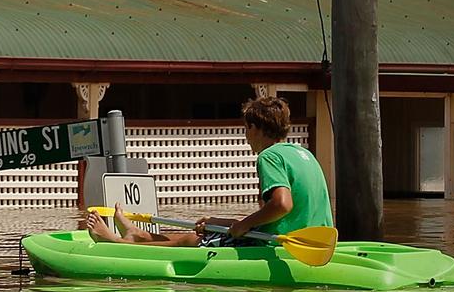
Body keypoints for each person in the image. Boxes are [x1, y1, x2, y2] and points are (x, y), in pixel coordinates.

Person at [86, 95, 333, 247]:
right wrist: (227, 222)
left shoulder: (269, 156)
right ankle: (137, 234)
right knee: (207, 228)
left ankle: (117, 242)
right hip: (312, 241)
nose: (246, 137)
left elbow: (282, 205)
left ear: (256, 127)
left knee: (195, 240)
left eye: (246, 129)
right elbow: (287, 214)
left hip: (282, 246)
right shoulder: (304, 154)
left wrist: (243, 224)